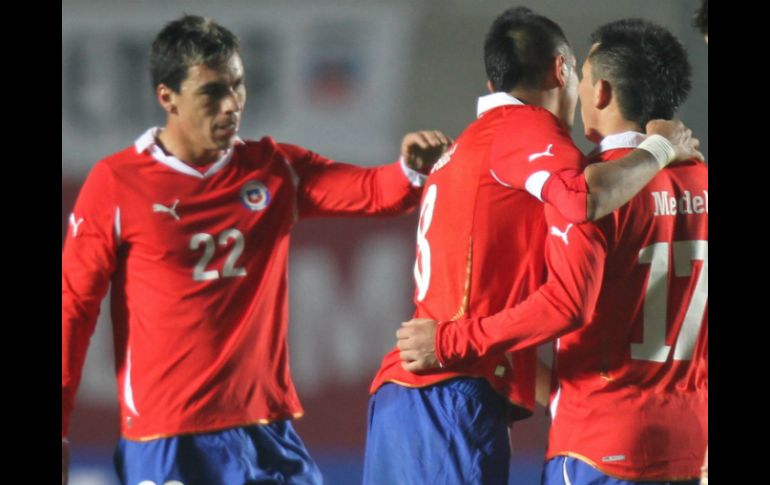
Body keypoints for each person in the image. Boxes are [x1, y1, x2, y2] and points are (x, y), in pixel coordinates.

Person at [61, 14, 453, 485]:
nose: (231, 105)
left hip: (263, 428)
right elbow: (73, 308)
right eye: (211, 92)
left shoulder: (271, 168)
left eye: (238, 86)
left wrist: (409, 170)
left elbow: (370, 190)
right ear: (166, 97)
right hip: (167, 437)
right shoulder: (117, 184)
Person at [363, 7, 702, 485]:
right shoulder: (546, 146)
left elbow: (565, 298)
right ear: (558, 71)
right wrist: (661, 148)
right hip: (681, 444)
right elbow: (581, 213)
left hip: (556, 429)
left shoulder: (498, 149)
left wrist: (448, 342)